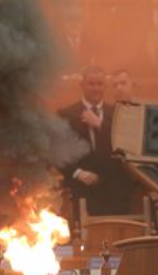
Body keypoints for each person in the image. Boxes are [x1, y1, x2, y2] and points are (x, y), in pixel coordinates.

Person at [58, 66, 133, 216]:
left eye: (100, 84)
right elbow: (56, 151)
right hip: (81, 190)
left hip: (116, 191)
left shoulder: (118, 112)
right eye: (91, 84)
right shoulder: (66, 114)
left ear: (105, 86)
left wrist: (99, 125)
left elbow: (127, 145)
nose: (96, 88)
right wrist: (77, 173)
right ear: (82, 85)